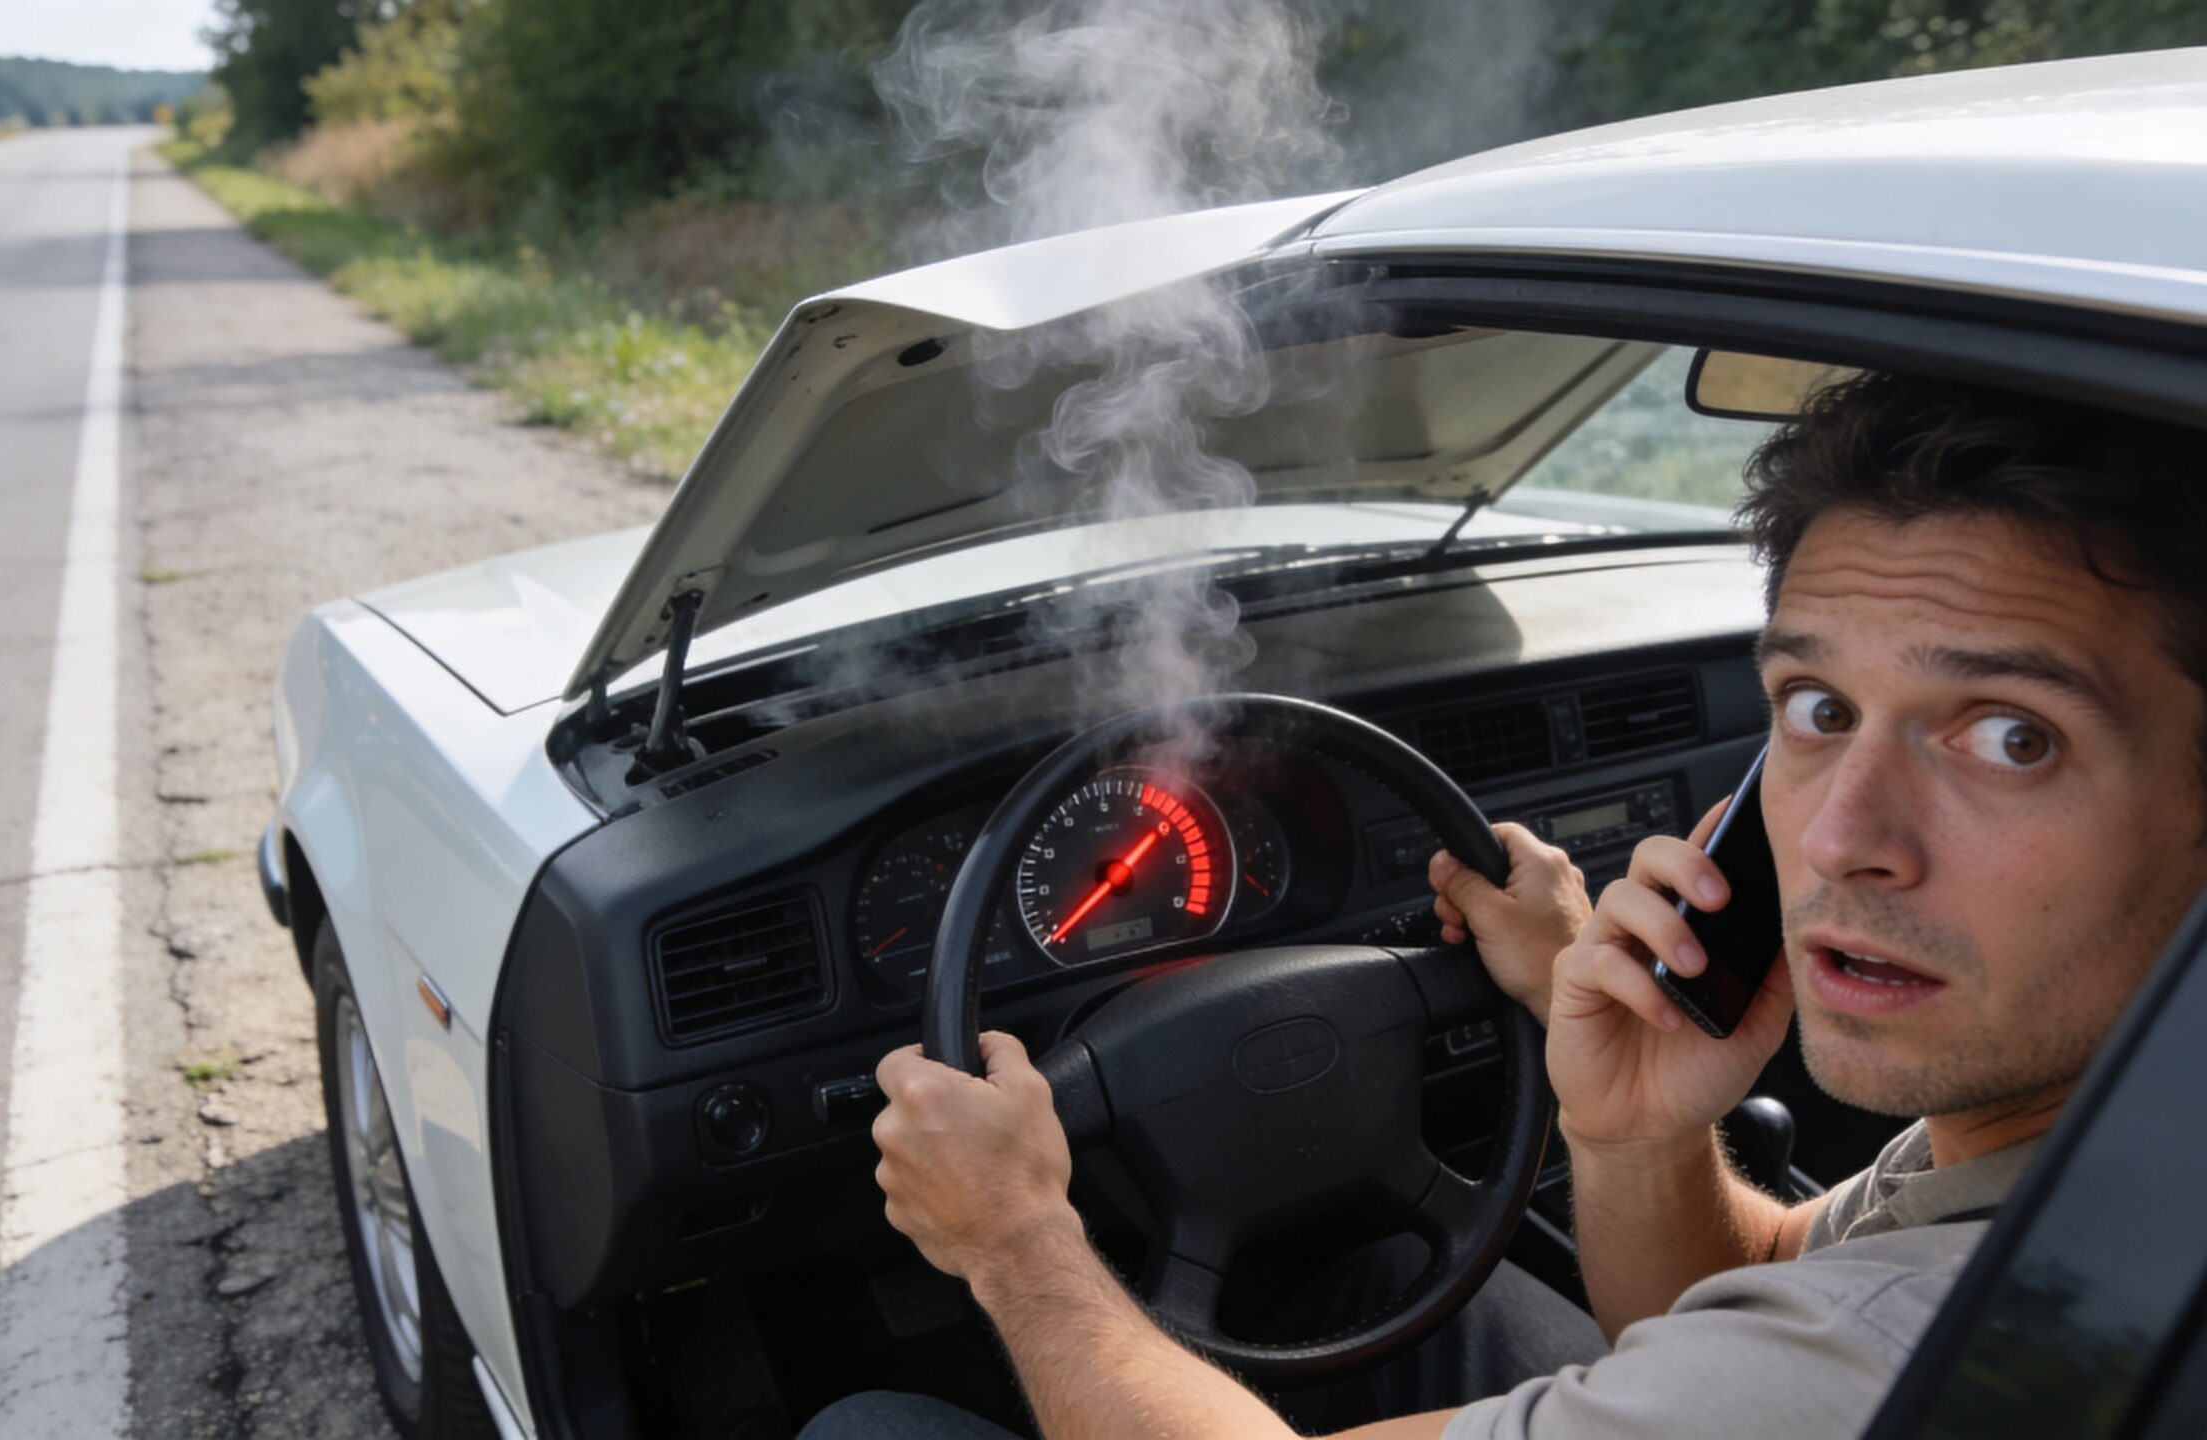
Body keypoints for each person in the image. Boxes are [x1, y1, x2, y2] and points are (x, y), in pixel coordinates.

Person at [800, 370, 2207, 1439]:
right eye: (1819, 707)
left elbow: (1789, 1345)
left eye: (2010, 736)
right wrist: (1639, 1124)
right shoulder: (2076, 1120)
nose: (1844, 837)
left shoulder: (1863, 1354)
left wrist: (1016, 1238)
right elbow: (1759, 1276)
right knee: (1363, 1308)